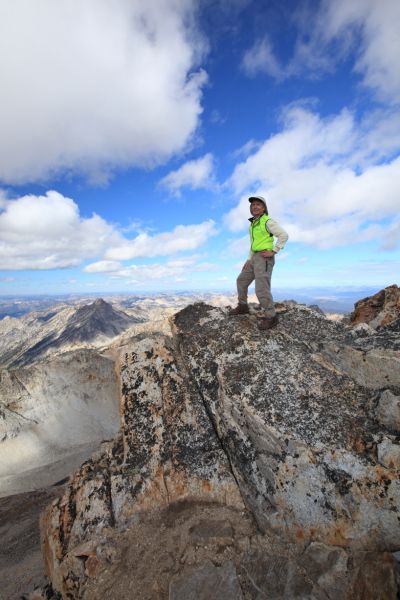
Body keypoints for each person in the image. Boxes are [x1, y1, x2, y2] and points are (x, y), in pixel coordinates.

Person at [229, 195, 288, 330]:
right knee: (241, 281)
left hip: (264, 257)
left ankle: (271, 317)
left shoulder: (267, 222)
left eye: (258, 205)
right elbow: (253, 244)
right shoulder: (253, 224)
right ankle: (243, 306)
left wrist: (274, 251)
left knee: (261, 288)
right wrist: (249, 259)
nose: (254, 207)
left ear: (264, 208)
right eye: (252, 205)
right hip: (254, 257)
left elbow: (283, 235)